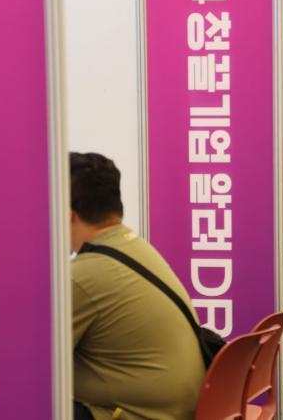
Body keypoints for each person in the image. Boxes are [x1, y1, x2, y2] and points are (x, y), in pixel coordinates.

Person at [70, 152, 205, 420]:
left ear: (67, 215)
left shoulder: (85, 274)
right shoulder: (135, 247)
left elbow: (33, 360)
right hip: (181, 407)